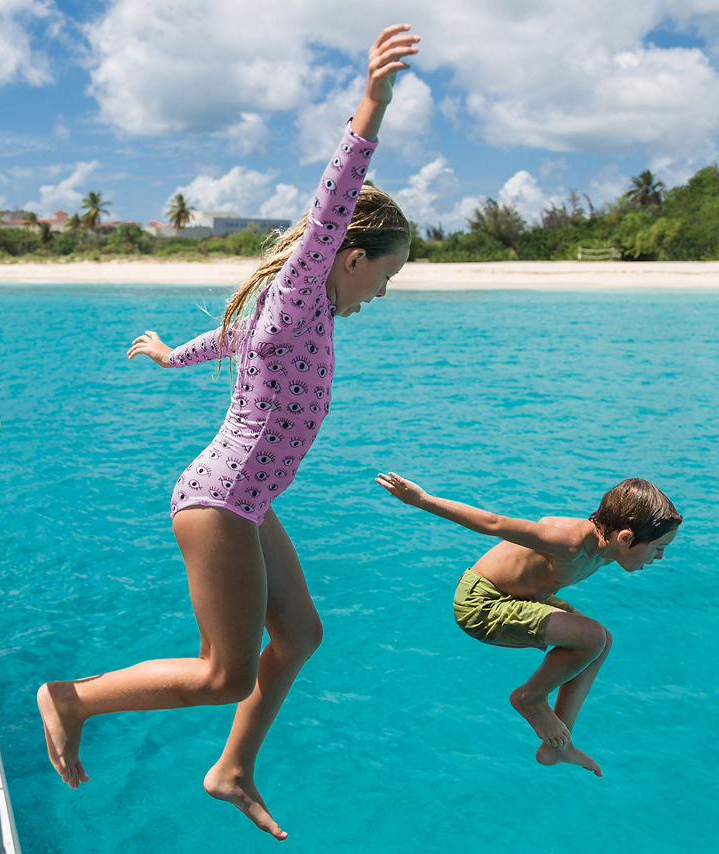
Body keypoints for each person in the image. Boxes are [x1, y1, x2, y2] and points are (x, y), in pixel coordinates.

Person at [36, 24, 420, 840]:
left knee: (301, 635)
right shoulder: (302, 292)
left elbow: (232, 337)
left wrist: (171, 356)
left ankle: (233, 770)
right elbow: (333, 199)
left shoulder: (297, 315)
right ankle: (71, 699)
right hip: (220, 499)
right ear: (349, 256)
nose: (384, 292)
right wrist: (372, 104)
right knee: (224, 674)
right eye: (385, 275)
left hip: (247, 500)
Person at [374, 472, 682, 776]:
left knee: (602, 641)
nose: (660, 557)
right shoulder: (570, 543)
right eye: (659, 547)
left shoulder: (607, 548)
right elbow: (494, 523)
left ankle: (557, 746)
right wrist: (421, 499)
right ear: (626, 538)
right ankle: (529, 698)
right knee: (591, 637)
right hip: (482, 603)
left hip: (523, 597)